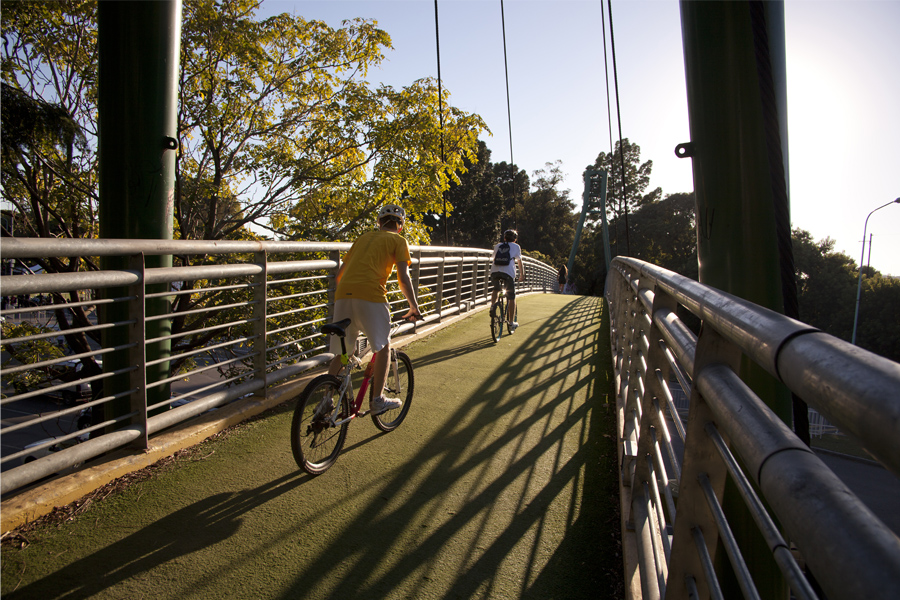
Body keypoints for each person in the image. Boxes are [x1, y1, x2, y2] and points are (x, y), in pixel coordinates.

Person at [327, 204, 421, 414]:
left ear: (379, 223)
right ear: (400, 226)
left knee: (344, 352)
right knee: (384, 346)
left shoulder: (362, 238)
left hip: (343, 296)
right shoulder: (398, 240)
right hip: (371, 297)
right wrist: (413, 306)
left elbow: (339, 276)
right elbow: (403, 277)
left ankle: (326, 399)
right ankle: (377, 399)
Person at [490, 229, 525, 332]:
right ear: (515, 239)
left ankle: (492, 306)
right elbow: (519, 262)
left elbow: (493, 259)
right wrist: (522, 275)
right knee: (511, 297)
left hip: (494, 272)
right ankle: (511, 323)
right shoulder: (516, 246)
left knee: (496, 289)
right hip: (508, 274)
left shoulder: (497, 246)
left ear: (504, 238)